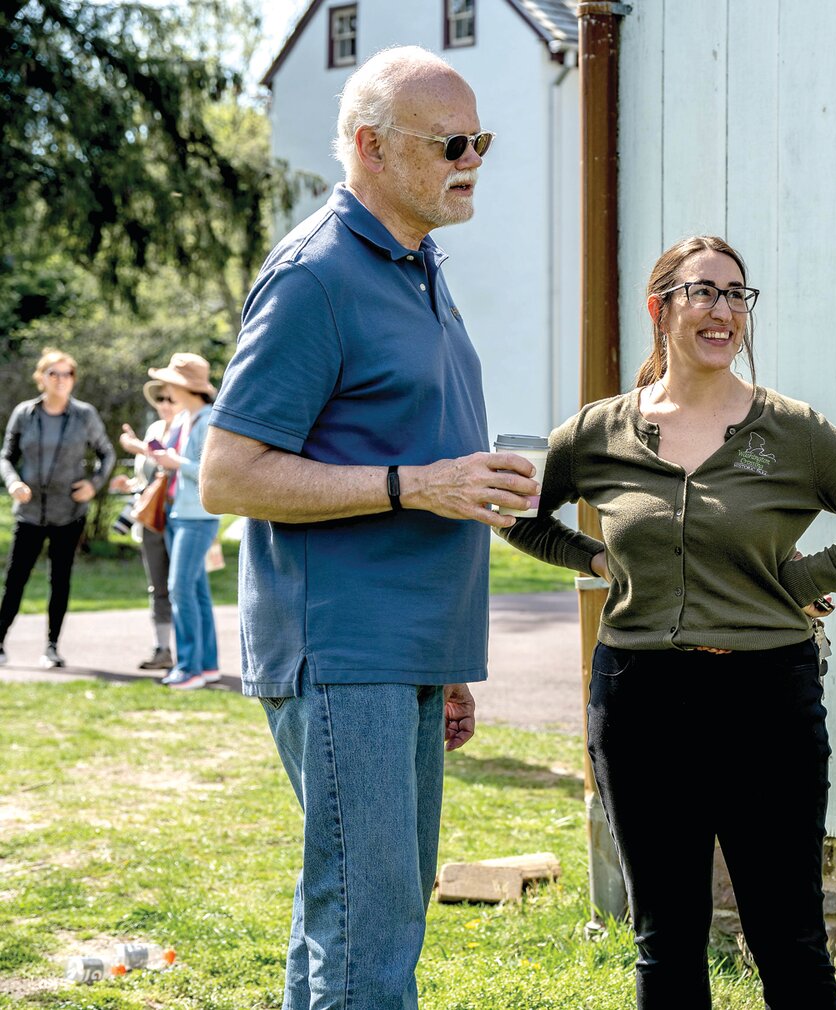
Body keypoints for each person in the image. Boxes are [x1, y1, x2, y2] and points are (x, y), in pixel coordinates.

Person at [197, 46, 537, 1010]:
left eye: (484, 140)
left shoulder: (419, 263)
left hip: (410, 651)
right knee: (368, 931)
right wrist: (415, 483)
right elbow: (227, 473)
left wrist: (449, 661)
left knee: (364, 921)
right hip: (344, 649)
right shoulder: (316, 276)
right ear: (370, 148)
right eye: (452, 143)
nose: (473, 158)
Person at [503, 234, 836, 1009]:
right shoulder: (600, 429)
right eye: (704, 292)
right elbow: (513, 508)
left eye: (736, 295)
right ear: (661, 310)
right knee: (667, 940)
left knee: (786, 935)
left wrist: (803, 578)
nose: (723, 311)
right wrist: (592, 559)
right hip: (639, 697)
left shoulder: (792, 430)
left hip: (767, 700)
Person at [0, 348, 115, 668]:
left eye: (67, 374)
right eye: (54, 374)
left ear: (73, 379)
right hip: (30, 512)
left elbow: (107, 454)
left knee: (60, 580)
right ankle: (0, 641)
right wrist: (12, 482)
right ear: (41, 378)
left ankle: (51, 647)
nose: (61, 380)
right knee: (16, 579)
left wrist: (94, 484)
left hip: (70, 513)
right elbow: (5, 457)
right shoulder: (25, 413)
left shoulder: (84, 415)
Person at [143, 354, 220, 690]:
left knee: (180, 589)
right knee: (197, 592)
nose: (166, 389)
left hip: (197, 517)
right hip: (180, 514)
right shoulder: (187, 418)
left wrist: (176, 462)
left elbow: (211, 472)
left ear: (183, 386)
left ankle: (188, 668)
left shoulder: (207, 421)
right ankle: (207, 666)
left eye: (170, 382)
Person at [113, 379, 182, 670]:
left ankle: (192, 654)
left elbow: (172, 462)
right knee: (158, 586)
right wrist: (128, 485)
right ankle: (162, 648)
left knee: (182, 586)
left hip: (179, 516)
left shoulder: (188, 426)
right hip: (152, 518)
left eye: (170, 398)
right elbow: (150, 479)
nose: (165, 405)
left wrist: (137, 447)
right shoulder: (154, 428)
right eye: (160, 400)